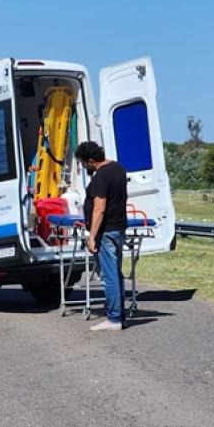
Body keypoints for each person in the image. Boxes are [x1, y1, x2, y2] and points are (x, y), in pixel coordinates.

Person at [75, 141, 128, 332]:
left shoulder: (100, 178)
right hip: (119, 228)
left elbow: (99, 209)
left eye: (83, 163)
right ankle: (119, 315)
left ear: (90, 161)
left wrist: (92, 236)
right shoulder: (118, 169)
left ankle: (113, 318)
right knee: (116, 273)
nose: (83, 167)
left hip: (106, 231)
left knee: (109, 275)